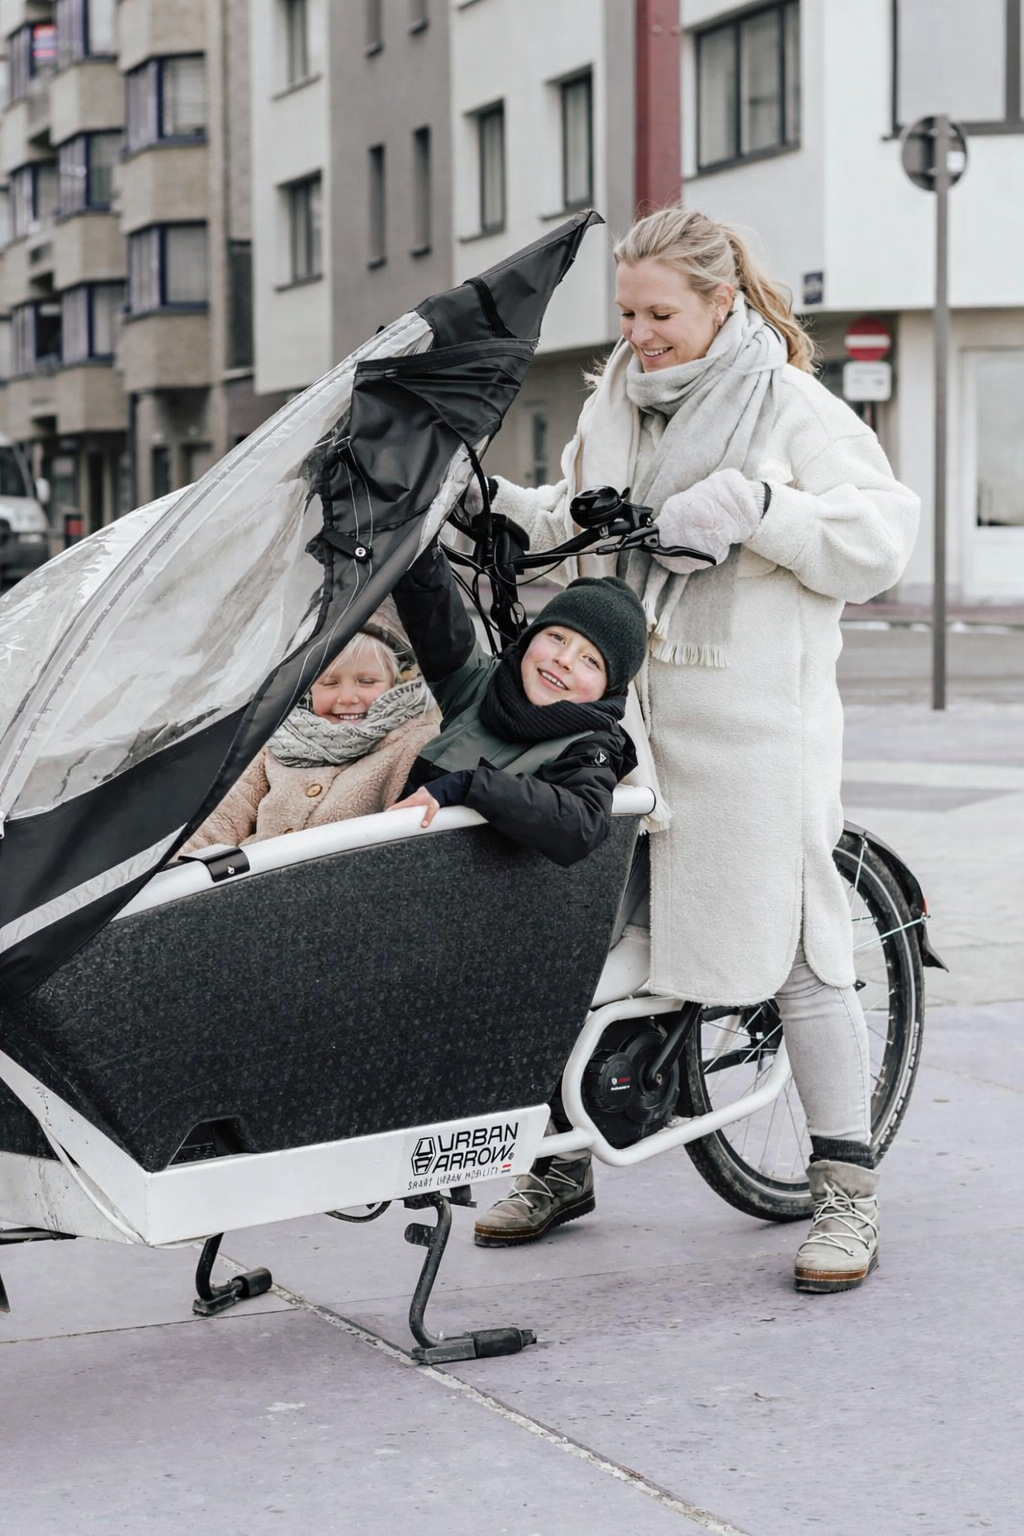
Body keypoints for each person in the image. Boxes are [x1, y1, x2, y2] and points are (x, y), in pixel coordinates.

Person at [469, 206, 921, 1293]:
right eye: (625, 312)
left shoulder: (788, 404)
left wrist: (762, 507)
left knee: (800, 952)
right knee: (578, 942)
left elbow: (880, 540)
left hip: (755, 728)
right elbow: (580, 517)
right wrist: (492, 508)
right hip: (625, 724)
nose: (640, 333)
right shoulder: (615, 402)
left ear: (722, 303)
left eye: (661, 312)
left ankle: (845, 1192)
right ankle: (564, 1163)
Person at [387, 542, 646, 868]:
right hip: (394, 865)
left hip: (464, 897)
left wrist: (469, 785)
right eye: (557, 638)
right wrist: (416, 531)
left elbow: (582, 824)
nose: (563, 660)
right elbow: (432, 610)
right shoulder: (481, 684)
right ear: (530, 638)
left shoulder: (590, 745)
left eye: (591, 661)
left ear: (609, 690)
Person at [182, 616, 439, 852]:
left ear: (396, 682)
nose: (348, 698)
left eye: (366, 681)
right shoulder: (281, 741)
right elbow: (223, 819)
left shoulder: (415, 744)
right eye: (330, 683)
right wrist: (174, 868)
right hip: (252, 891)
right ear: (309, 690)